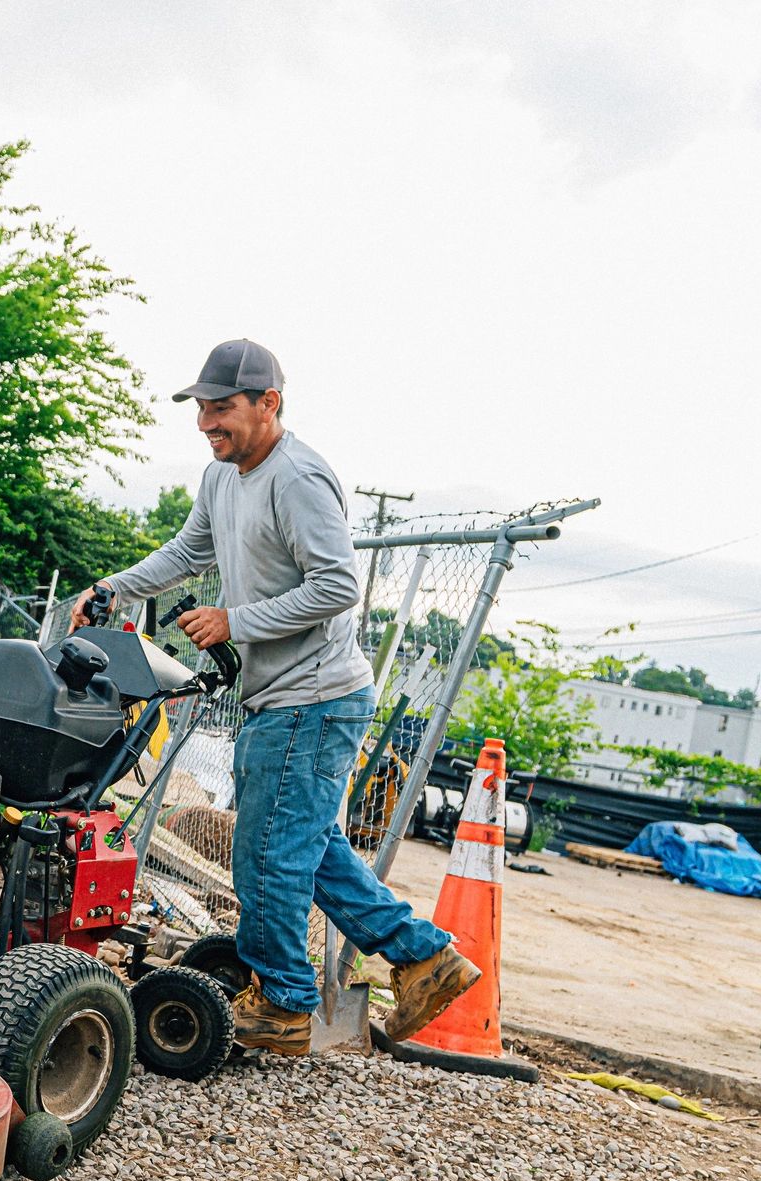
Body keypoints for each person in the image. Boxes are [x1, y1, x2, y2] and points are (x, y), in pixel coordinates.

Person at [72, 339, 479, 1056]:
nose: (206, 423)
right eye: (201, 410)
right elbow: (188, 551)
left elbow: (337, 586)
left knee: (266, 854)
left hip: (314, 701)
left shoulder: (298, 479)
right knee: (307, 850)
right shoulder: (221, 477)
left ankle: (286, 1001)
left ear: (270, 403)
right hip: (282, 698)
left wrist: (236, 621)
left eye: (221, 409)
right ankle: (424, 957)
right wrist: (116, 587)